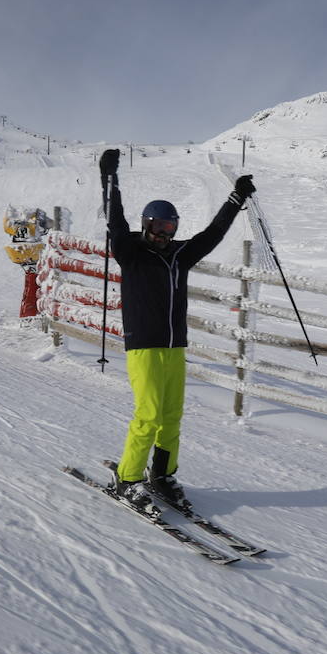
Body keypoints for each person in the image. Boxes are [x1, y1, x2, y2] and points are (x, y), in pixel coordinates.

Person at [100, 147, 255, 512]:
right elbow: (115, 217)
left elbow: (213, 233)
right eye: (156, 226)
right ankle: (129, 477)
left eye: (169, 228)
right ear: (146, 224)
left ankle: (162, 474)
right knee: (148, 415)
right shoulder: (130, 251)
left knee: (171, 416)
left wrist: (236, 198)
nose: (162, 234)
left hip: (174, 347)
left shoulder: (180, 255)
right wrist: (109, 176)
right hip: (144, 346)